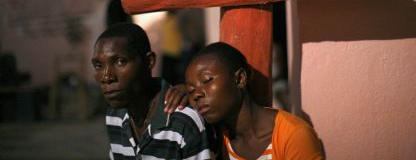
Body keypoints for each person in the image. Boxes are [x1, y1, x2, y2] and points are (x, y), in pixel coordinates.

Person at [91, 22, 217, 159]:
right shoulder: (114, 116)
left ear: (149, 61)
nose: (106, 77)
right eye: (98, 65)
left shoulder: (183, 120)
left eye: (120, 61)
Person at [185, 42, 324, 160]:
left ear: (240, 79)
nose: (196, 94)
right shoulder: (215, 139)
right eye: (190, 90)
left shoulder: (293, 135)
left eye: (206, 81)